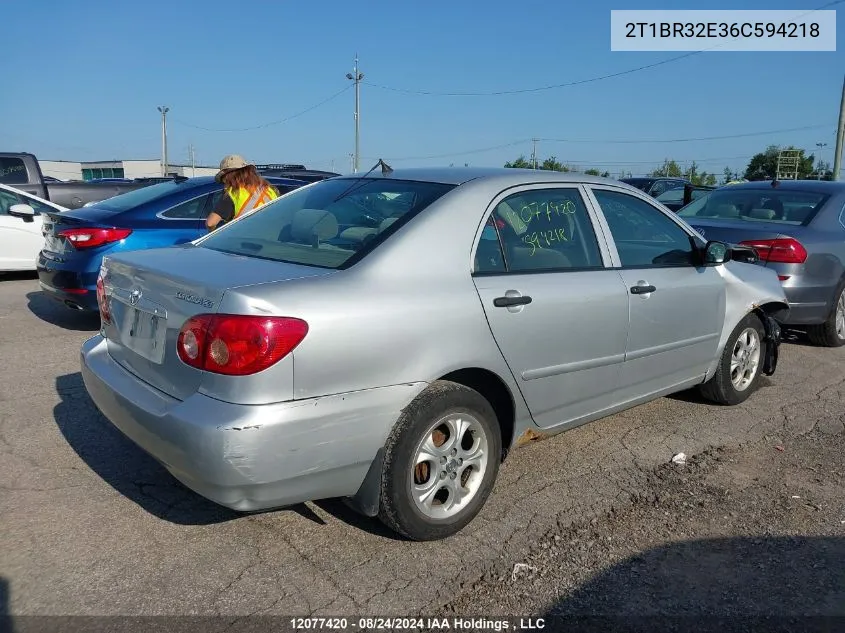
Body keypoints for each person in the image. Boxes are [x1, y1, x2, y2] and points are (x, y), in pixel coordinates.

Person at [205, 154, 279, 231]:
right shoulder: (270, 190)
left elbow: (210, 223)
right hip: (270, 238)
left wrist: (213, 233)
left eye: (224, 180)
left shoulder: (234, 193)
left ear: (228, 177)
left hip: (244, 239)